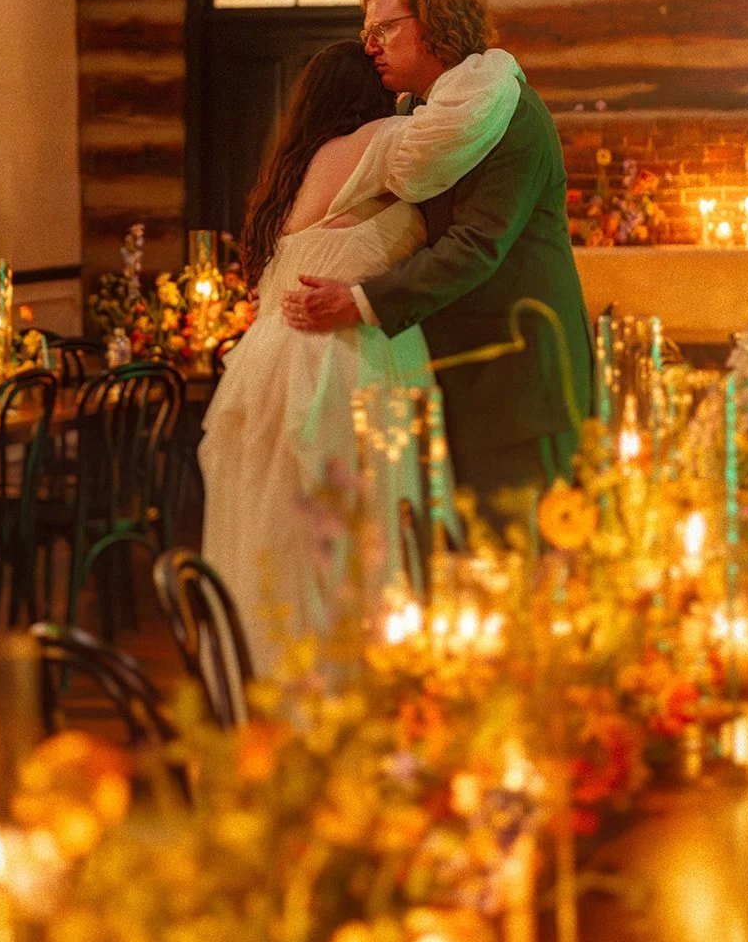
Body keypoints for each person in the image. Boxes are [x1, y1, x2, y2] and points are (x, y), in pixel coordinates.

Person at [199, 36, 522, 673]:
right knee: (350, 531)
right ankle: (347, 683)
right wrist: (497, 62)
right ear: (369, 98)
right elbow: (460, 124)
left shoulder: (301, 164)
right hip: (339, 358)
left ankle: (270, 678)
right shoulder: (374, 143)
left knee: (283, 533)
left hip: (275, 358)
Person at [282, 0, 594, 516]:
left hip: (516, 373)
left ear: (435, 21)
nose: (370, 44)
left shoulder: (508, 112)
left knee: (526, 555)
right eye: (365, 33)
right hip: (455, 369)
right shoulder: (427, 121)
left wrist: (357, 300)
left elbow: (476, 244)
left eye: (383, 28)